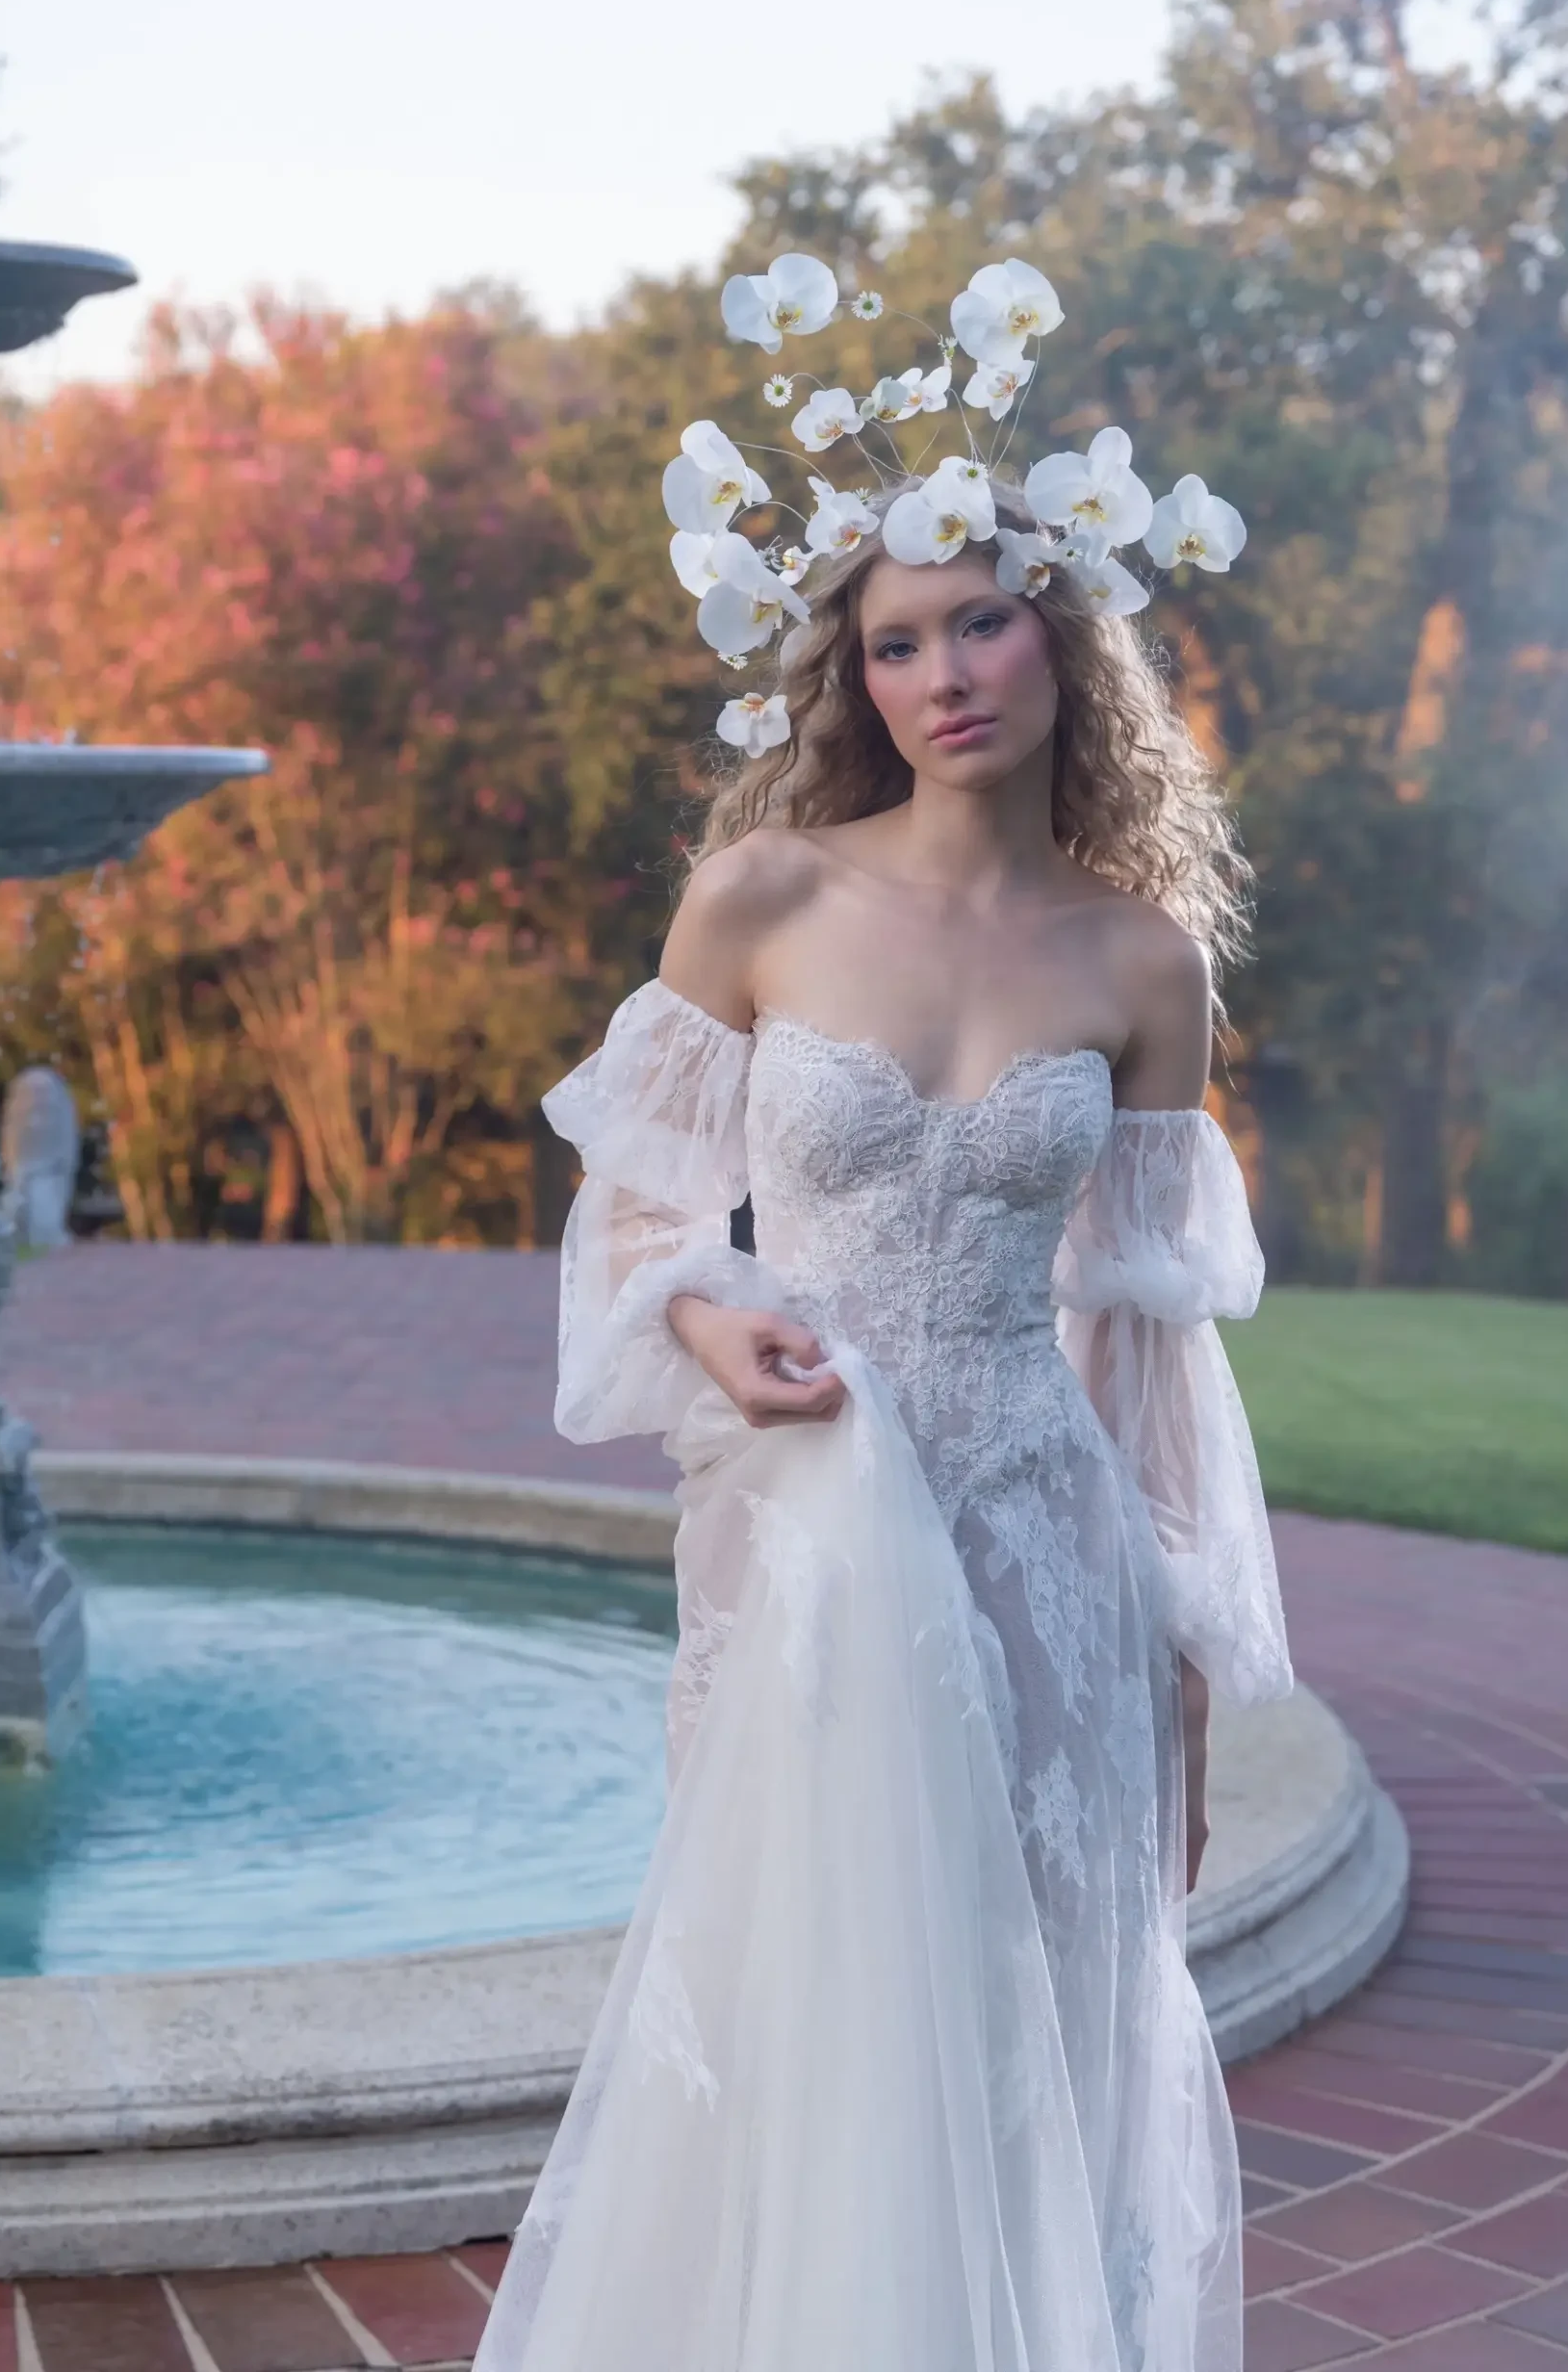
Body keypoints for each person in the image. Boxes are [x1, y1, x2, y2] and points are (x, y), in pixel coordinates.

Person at [474, 262, 1292, 2372]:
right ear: (853, 672)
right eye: (895, 640)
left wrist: (1179, 1678)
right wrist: (705, 1319)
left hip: (1042, 1535)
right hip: (822, 1518)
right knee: (819, 2009)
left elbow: (1143, 1336)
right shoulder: (763, 899)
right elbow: (637, 1208)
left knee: (1039, 2007)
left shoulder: (1135, 966)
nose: (941, 674)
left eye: (979, 621)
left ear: (1062, 632)